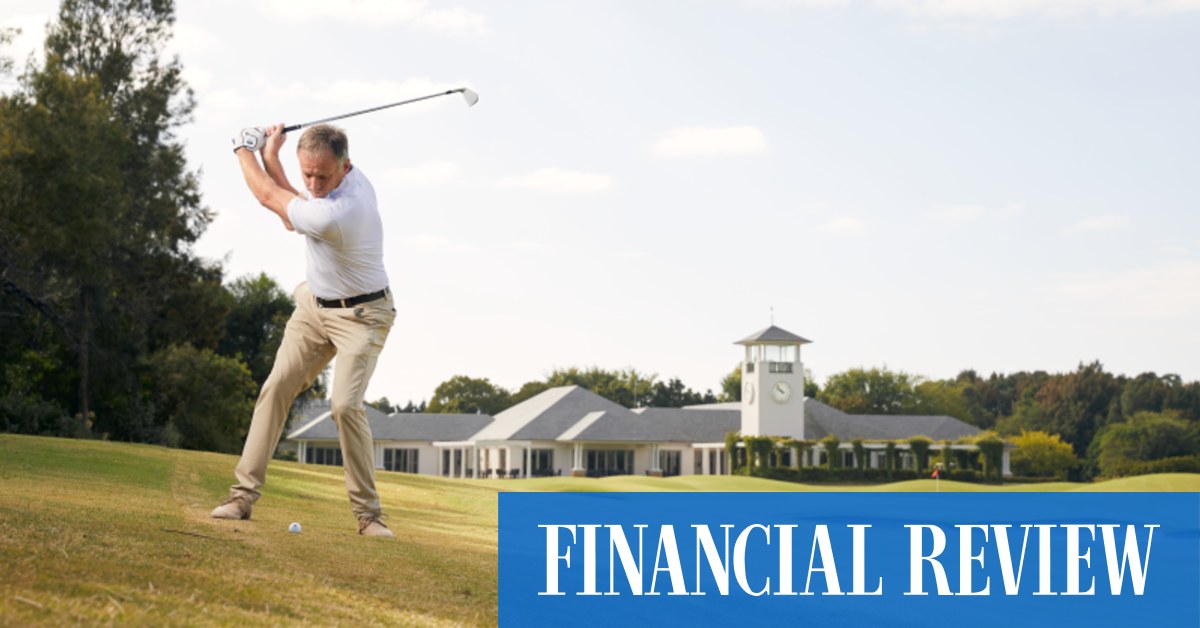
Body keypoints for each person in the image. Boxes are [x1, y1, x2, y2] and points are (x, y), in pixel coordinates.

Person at [212, 123, 397, 538]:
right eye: (307, 174)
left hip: (363, 317)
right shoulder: (336, 187)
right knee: (276, 387)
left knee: (344, 406)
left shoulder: (343, 210)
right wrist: (273, 156)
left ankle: (369, 516)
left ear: (345, 167)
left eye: (323, 176)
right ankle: (241, 497)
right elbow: (291, 210)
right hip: (315, 307)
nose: (313, 184)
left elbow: (269, 198)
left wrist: (243, 147)